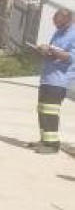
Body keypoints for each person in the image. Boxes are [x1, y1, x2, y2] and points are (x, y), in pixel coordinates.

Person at [31, 8, 74, 155]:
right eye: (54, 22)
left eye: (58, 22)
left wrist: (51, 50)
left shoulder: (73, 34)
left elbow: (70, 57)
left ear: (67, 20)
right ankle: (44, 140)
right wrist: (44, 50)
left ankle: (52, 145)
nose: (55, 25)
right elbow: (54, 51)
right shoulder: (58, 32)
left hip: (58, 80)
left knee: (50, 112)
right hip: (48, 78)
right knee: (42, 110)